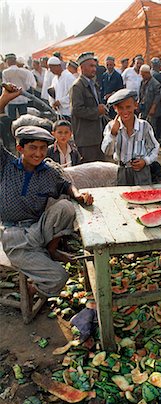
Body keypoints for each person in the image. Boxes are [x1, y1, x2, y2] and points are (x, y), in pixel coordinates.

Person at [0, 84, 93, 299]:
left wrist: (78, 194)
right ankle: (33, 289)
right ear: (20, 148)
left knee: (65, 207)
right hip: (14, 237)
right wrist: (4, 99)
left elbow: (65, 186)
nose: (39, 153)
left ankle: (49, 252)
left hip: (38, 229)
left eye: (43, 148)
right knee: (58, 277)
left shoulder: (48, 170)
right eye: (33, 148)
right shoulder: (6, 164)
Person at [101, 88, 159, 185]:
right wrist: (113, 134)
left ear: (135, 105)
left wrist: (145, 161)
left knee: (142, 197)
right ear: (115, 108)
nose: (125, 111)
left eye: (128, 107)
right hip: (121, 171)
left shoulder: (144, 126)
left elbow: (155, 147)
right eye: (120, 108)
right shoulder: (111, 127)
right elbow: (106, 151)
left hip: (141, 172)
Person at [70, 52, 107, 162]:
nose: (94, 69)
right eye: (91, 66)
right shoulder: (77, 86)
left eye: (95, 66)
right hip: (86, 139)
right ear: (82, 68)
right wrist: (97, 111)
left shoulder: (93, 84)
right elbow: (76, 110)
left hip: (97, 136)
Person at [2, 53, 36, 120]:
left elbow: (5, 86)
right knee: (24, 119)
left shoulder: (5, 72)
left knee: (11, 120)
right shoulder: (24, 72)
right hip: (23, 98)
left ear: (8, 61)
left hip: (11, 100)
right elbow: (28, 86)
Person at [48, 56, 76, 121]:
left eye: (52, 68)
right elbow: (52, 93)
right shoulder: (54, 79)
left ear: (57, 66)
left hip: (69, 112)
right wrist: (53, 103)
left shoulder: (69, 77)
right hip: (59, 112)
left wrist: (60, 102)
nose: (51, 70)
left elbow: (74, 94)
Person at [139, 64, 161, 138]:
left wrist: (153, 108)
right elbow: (141, 94)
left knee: (151, 127)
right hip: (143, 108)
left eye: (143, 75)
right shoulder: (142, 82)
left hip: (152, 109)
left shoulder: (155, 84)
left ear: (148, 73)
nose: (142, 77)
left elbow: (157, 97)